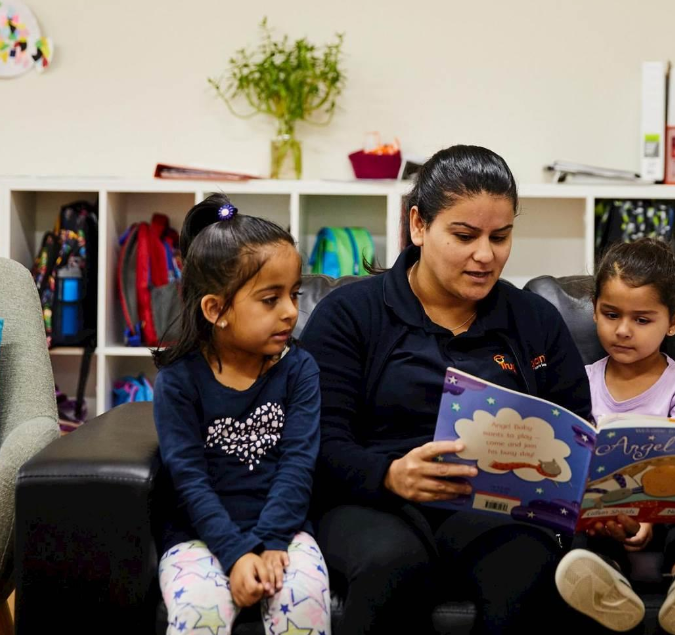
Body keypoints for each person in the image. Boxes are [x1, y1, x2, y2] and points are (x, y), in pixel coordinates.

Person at [301, 145, 593, 634]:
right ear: (419, 225)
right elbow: (316, 441)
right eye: (464, 235)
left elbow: (580, 435)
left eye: (501, 237)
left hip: (493, 506)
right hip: (371, 501)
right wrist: (390, 474)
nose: (486, 254)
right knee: (393, 564)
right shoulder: (350, 314)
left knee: (526, 563)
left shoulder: (534, 320)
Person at [153, 194, 330, 635]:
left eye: (294, 294)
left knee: (304, 605)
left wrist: (271, 544)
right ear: (216, 310)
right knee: (200, 611)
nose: (290, 311)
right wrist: (236, 553)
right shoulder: (179, 381)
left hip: (284, 531)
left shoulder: (299, 369)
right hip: (199, 535)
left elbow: (297, 465)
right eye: (270, 299)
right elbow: (188, 479)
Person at [555, 239, 675, 635]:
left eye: (642, 319)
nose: (622, 330)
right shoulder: (579, 383)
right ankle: (605, 584)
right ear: (594, 310)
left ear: (672, 322)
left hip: (668, 510)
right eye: (611, 314)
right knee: (588, 528)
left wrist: (650, 516)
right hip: (604, 514)